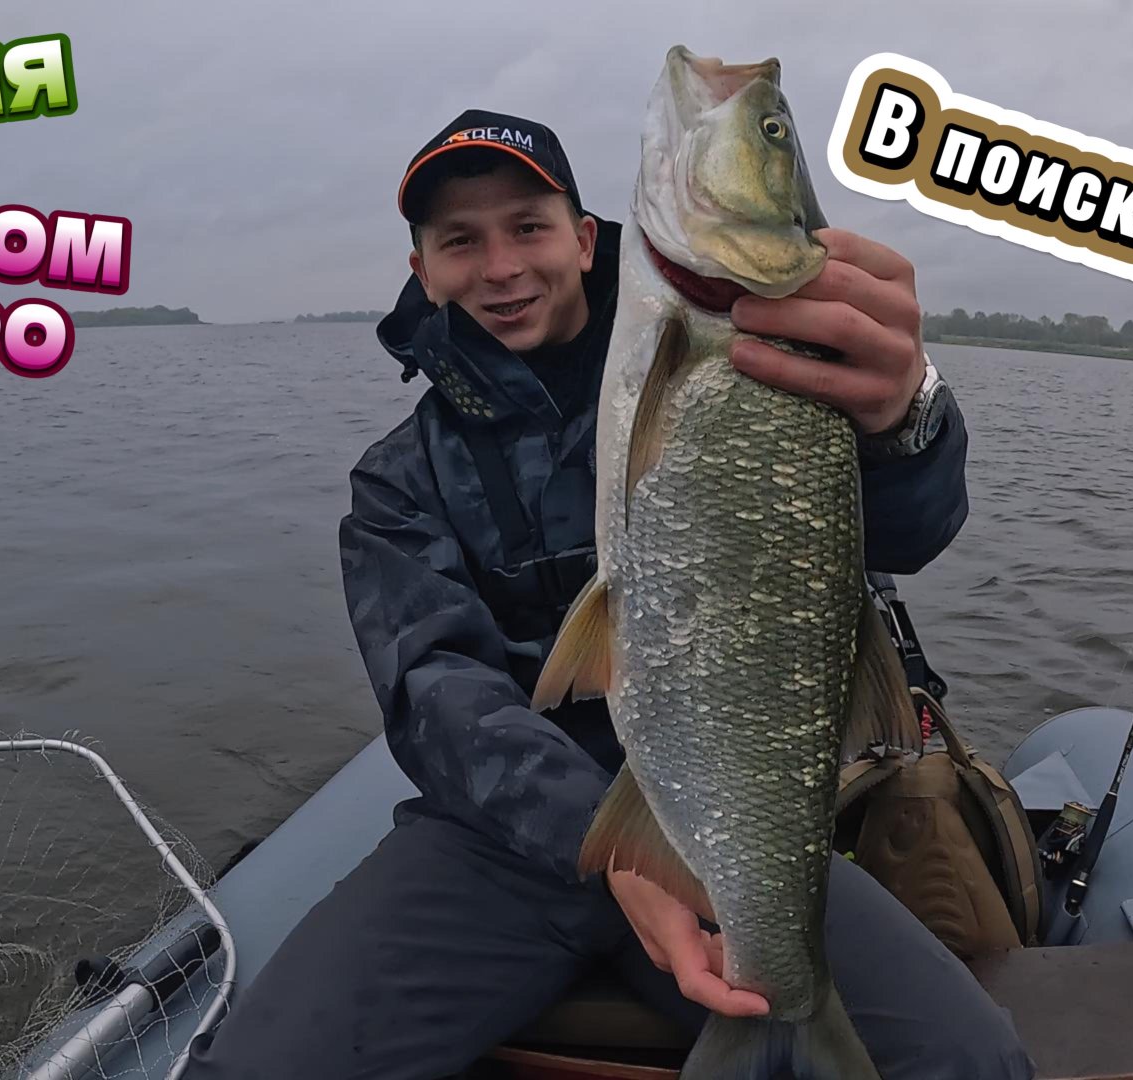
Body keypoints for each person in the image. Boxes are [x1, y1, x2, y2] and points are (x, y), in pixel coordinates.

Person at [183, 109, 1034, 1080]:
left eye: (528, 227)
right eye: (461, 241)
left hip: (728, 818)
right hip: (503, 838)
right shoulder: (397, 482)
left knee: (970, 1060)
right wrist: (611, 849)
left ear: (587, 240)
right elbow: (434, 689)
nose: (501, 267)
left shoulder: (751, 364)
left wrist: (907, 414)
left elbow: (908, 532)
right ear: (422, 270)